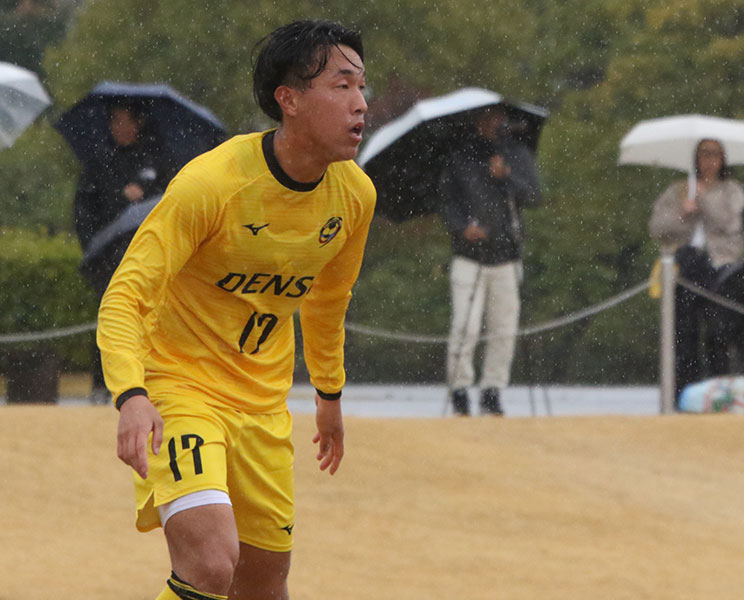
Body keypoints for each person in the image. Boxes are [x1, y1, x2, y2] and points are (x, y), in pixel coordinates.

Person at [97, 19, 373, 600]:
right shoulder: (212, 184)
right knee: (211, 564)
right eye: (342, 86)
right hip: (180, 390)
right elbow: (126, 294)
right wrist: (131, 394)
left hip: (263, 406)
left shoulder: (354, 195)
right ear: (288, 100)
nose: (360, 103)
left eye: (362, 86)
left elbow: (328, 301)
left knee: (263, 586)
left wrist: (329, 395)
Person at [438, 105, 542, 416]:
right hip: (469, 256)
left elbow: (534, 196)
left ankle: (492, 390)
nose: (495, 123)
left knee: (504, 328)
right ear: (477, 122)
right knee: (465, 327)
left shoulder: (517, 155)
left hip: (507, 255)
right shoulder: (460, 158)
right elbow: (446, 202)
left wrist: (506, 176)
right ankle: (459, 390)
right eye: (488, 118)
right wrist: (462, 227)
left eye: (499, 118)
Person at [73, 101, 174, 404]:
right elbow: (83, 210)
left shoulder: (158, 159)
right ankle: (102, 384)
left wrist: (145, 195)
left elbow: (173, 202)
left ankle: (147, 385)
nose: (121, 128)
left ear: (139, 123)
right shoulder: (99, 161)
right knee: (110, 319)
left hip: (149, 256)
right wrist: (95, 243)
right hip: (109, 257)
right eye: (115, 121)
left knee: (151, 322)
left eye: (127, 121)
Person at [649, 138, 744, 405]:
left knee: (718, 334)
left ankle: (719, 396)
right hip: (686, 264)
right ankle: (683, 395)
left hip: (721, 266)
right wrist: (683, 212)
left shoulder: (732, 190)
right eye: (704, 154)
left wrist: (704, 199)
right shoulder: (678, 190)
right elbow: (658, 228)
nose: (709, 160)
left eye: (715, 154)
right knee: (684, 334)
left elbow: (729, 222)